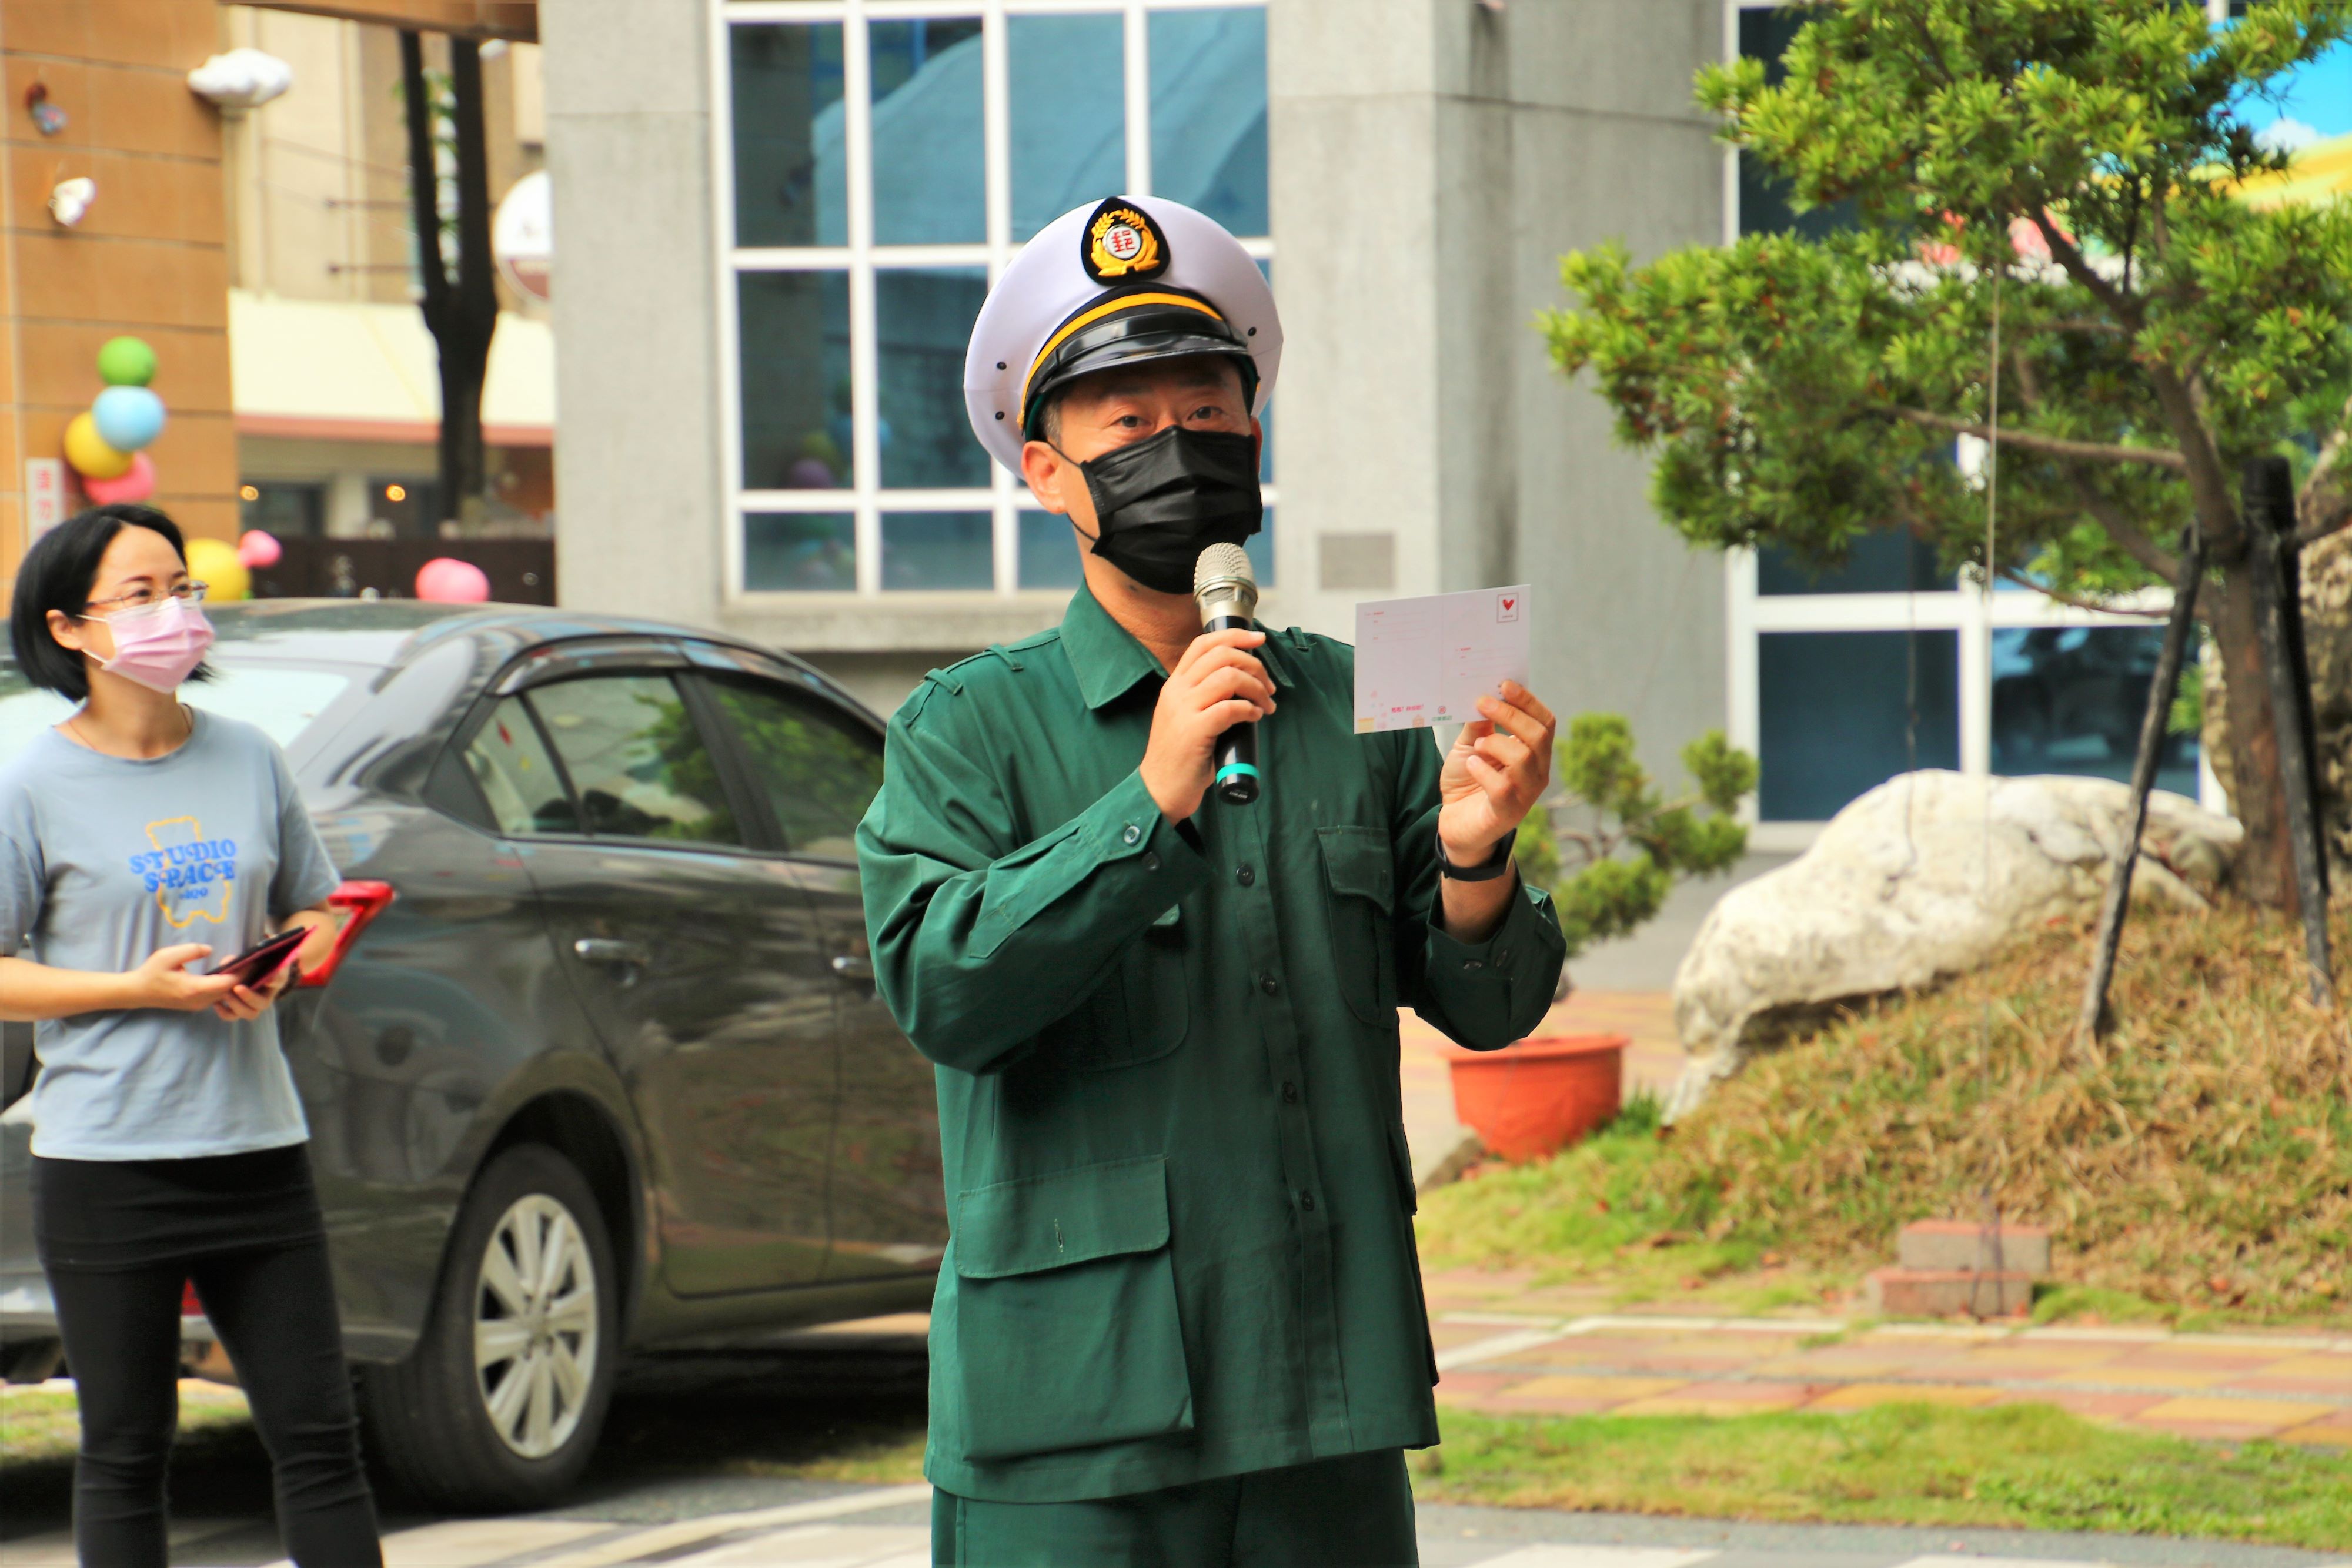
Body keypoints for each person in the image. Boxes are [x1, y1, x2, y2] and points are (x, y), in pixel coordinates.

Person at [857, 196, 1568, 1567]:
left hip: (1323, 1393)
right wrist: (1147, 800)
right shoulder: (966, 726)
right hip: (1070, 1420)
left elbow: (1488, 1008)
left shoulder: (1352, 704)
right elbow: (941, 990)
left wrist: (1476, 854)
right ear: (1043, 471)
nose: (1177, 444)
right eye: (1124, 424)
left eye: (1209, 407)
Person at [0, 505, 382, 1567]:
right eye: (142, 595)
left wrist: (286, 965)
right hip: (107, 1159)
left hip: (257, 1146)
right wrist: (135, 988)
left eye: (184, 587)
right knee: (127, 1447)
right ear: (70, 629)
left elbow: (316, 908)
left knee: (319, 1437)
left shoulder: (248, 757)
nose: (175, 611)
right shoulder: (29, 784)